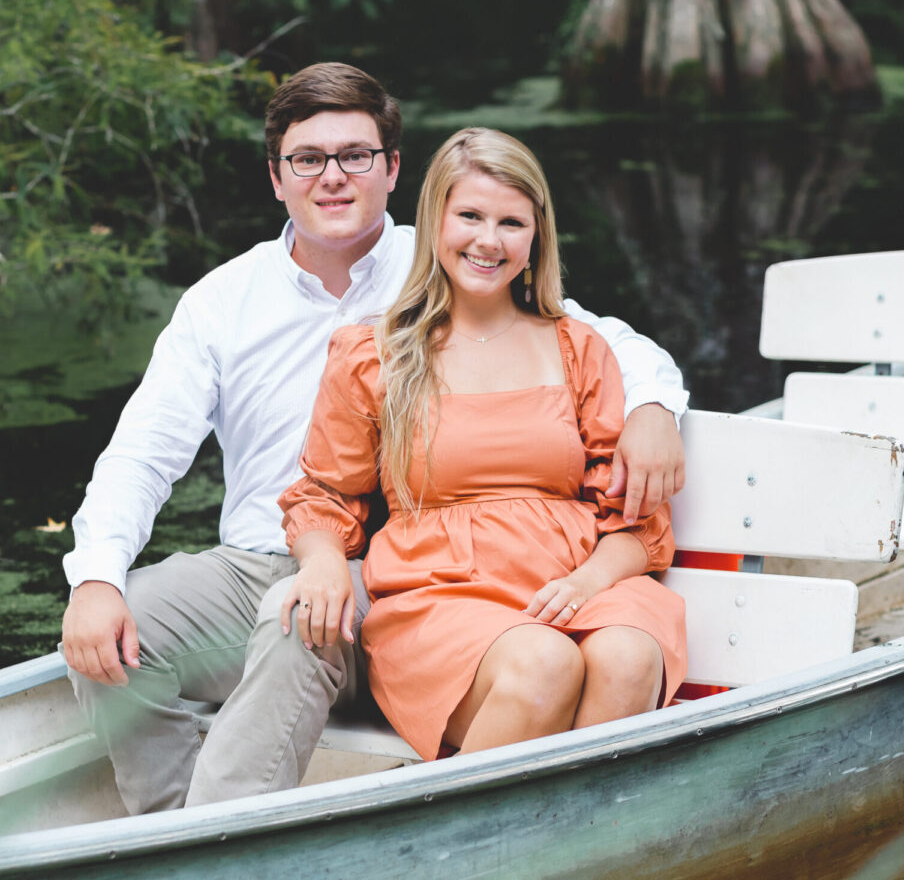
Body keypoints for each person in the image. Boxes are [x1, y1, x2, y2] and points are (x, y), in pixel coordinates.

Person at [61, 66, 688, 813]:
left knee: (299, 615)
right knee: (111, 631)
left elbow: (597, 340)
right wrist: (97, 575)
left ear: (393, 170)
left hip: (400, 568)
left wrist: (654, 405)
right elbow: (142, 454)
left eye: (355, 155)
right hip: (263, 558)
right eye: (308, 159)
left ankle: (220, 840)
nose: (332, 177)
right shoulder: (222, 302)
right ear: (277, 177)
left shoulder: (454, 258)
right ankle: (169, 831)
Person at [278, 128, 687, 759]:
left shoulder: (579, 348)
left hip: (581, 580)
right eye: (470, 215)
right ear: (435, 219)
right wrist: (325, 559)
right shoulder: (378, 353)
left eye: (511, 223)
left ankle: (575, 850)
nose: (488, 241)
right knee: (543, 663)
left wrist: (586, 582)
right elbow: (326, 496)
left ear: (537, 235)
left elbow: (639, 517)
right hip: (445, 595)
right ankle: (461, 850)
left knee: (629, 656)